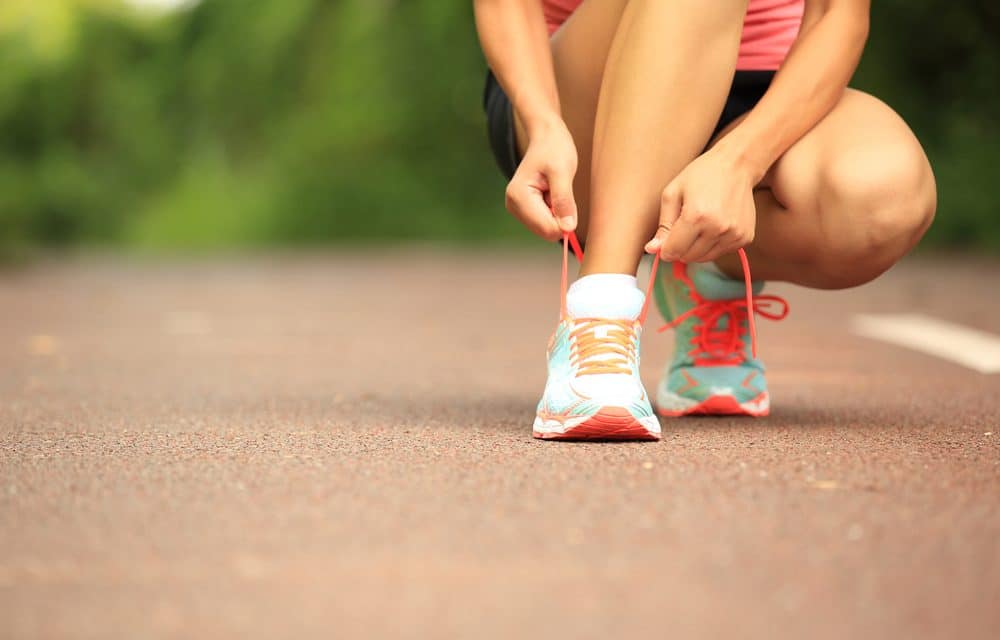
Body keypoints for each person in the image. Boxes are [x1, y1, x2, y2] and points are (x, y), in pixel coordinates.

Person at [475, 0, 936, 440]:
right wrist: (542, 123)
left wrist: (740, 162)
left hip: (768, 99)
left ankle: (705, 273)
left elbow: (837, 16)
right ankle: (598, 316)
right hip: (578, 103)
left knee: (885, 198)